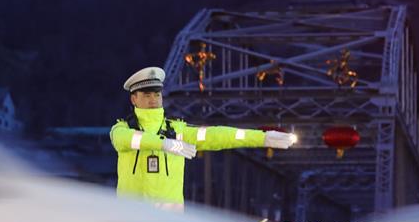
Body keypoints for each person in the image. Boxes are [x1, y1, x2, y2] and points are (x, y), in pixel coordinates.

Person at [110, 66, 295, 210]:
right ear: (134, 99)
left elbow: (218, 135)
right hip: (132, 221)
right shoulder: (123, 128)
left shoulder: (177, 131)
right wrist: (164, 144)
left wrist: (262, 138)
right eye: (147, 95)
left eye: (157, 94)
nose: (153, 100)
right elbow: (125, 139)